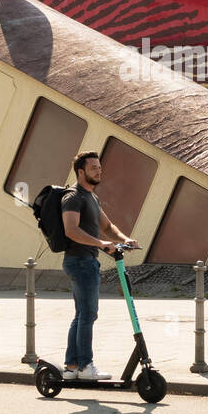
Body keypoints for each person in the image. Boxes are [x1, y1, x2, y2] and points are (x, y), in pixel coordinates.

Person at [60, 150, 137, 381]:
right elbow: (71, 230)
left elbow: (108, 226)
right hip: (80, 261)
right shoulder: (73, 197)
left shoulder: (91, 197)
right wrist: (102, 244)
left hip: (86, 261)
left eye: (99, 167)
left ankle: (72, 366)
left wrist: (124, 239)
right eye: (93, 167)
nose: (99, 171)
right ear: (81, 171)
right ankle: (85, 366)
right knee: (88, 314)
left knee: (82, 314)